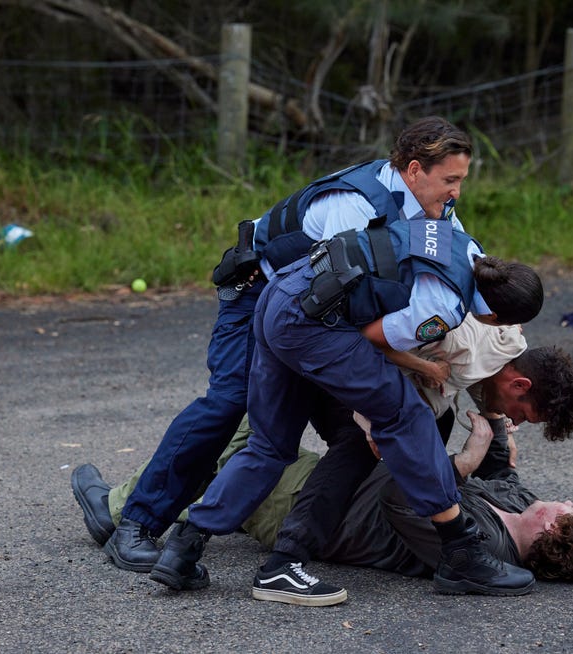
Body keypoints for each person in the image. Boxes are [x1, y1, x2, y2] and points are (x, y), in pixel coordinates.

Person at [75, 117, 476, 576]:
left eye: (461, 180)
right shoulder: (354, 208)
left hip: (310, 316)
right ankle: (136, 523)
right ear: (412, 170)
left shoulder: (433, 208)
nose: (457, 192)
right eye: (450, 180)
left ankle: (130, 510)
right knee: (232, 401)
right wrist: (406, 369)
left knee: (325, 426)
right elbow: (339, 306)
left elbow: (456, 258)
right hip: (262, 296)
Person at [147, 198, 547, 600]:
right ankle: (463, 554)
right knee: (409, 419)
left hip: (283, 292)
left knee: (270, 445)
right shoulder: (446, 306)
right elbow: (374, 339)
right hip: (312, 322)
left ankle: (184, 548)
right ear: (497, 316)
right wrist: (385, 402)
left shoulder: (462, 241)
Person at [72, 373, 573, 594]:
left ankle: (120, 510)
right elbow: (500, 463)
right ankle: (140, 503)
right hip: (334, 478)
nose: (566, 500)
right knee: (272, 410)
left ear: (552, 528)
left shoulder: (487, 548)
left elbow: (404, 495)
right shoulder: (520, 505)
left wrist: (466, 462)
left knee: (239, 423)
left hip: (305, 513)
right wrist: (495, 408)